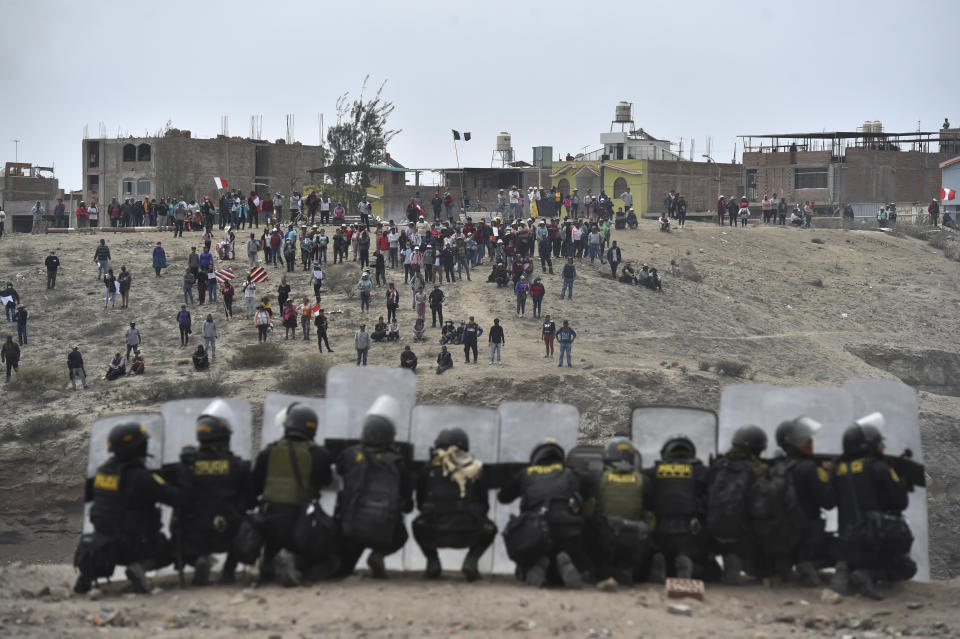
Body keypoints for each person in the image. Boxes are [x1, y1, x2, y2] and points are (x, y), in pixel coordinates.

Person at [73, 423, 180, 594]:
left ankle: (87, 575)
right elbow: (175, 498)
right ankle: (140, 568)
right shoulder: (140, 476)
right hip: (134, 546)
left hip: (106, 546)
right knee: (173, 549)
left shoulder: (103, 473)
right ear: (139, 447)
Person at [167, 401, 254, 585]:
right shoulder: (237, 465)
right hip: (228, 531)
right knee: (249, 520)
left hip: (194, 533)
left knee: (180, 520)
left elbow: (177, 496)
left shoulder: (187, 465)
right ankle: (228, 571)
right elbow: (250, 500)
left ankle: (200, 558)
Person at [830, 413, 916, 600]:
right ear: (867, 445)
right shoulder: (880, 468)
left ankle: (845, 568)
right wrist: (900, 485)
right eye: (879, 443)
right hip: (874, 541)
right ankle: (870, 574)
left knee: (854, 551)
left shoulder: (838, 469)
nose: (882, 446)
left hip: (846, 542)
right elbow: (900, 503)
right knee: (908, 567)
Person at [253, 403, 336, 586]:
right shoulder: (319, 454)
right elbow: (326, 480)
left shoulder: (268, 452)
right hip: (302, 523)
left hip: (270, 522)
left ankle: (268, 563)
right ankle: (297, 563)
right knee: (331, 548)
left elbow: (255, 488)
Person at [334, 396, 413, 578]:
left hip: (350, 527)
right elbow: (408, 504)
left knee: (342, 570)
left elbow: (336, 474)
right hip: (384, 530)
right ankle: (378, 555)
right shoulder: (397, 462)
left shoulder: (350, 455)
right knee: (402, 535)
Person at [752, 417, 837, 586]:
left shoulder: (776, 467)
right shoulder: (811, 468)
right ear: (792, 442)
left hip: (781, 535)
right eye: (803, 439)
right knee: (839, 547)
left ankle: (786, 565)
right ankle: (807, 564)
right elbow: (829, 501)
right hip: (807, 536)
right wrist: (830, 476)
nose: (810, 441)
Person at [498, 439, 585, 588]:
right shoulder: (570, 473)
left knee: (520, 535)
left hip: (536, 532)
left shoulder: (526, 473)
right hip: (568, 530)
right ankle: (561, 559)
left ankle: (535, 564)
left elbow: (503, 497)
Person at [413, 428, 496, 580]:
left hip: (434, 532)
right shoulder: (475, 468)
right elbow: (485, 505)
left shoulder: (428, 468)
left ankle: (433, 562)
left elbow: (420, 502)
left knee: (417, 524)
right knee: (490, 528)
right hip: (468, 532)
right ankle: (471, 562)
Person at [583, 437, 653, 586]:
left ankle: (592, 570)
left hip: (604, 541)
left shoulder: (596, 478)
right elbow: (649, 516)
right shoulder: (644, 481)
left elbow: (588, 512)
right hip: (634, 542)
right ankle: (629, 570)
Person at [706, 425, 768, 585]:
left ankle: (713, 562)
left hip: (711, 529)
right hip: (742, 533)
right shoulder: (758, 469)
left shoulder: (719, 464)